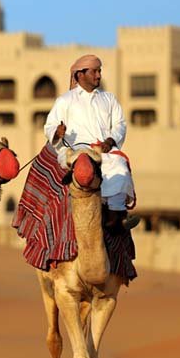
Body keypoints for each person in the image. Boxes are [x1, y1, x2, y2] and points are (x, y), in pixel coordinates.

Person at [43, 54, 140, 232]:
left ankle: (116, 218)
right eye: (94, 71)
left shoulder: (109, 99)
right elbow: (49, 126)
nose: (98, 75)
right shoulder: (65, 100)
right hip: (75, 151)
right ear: (80, 74)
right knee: (85, 167)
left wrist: (110, 141)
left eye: (99, 71)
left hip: (103, 151)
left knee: (119, 165)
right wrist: (56, 132)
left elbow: (120, 124)